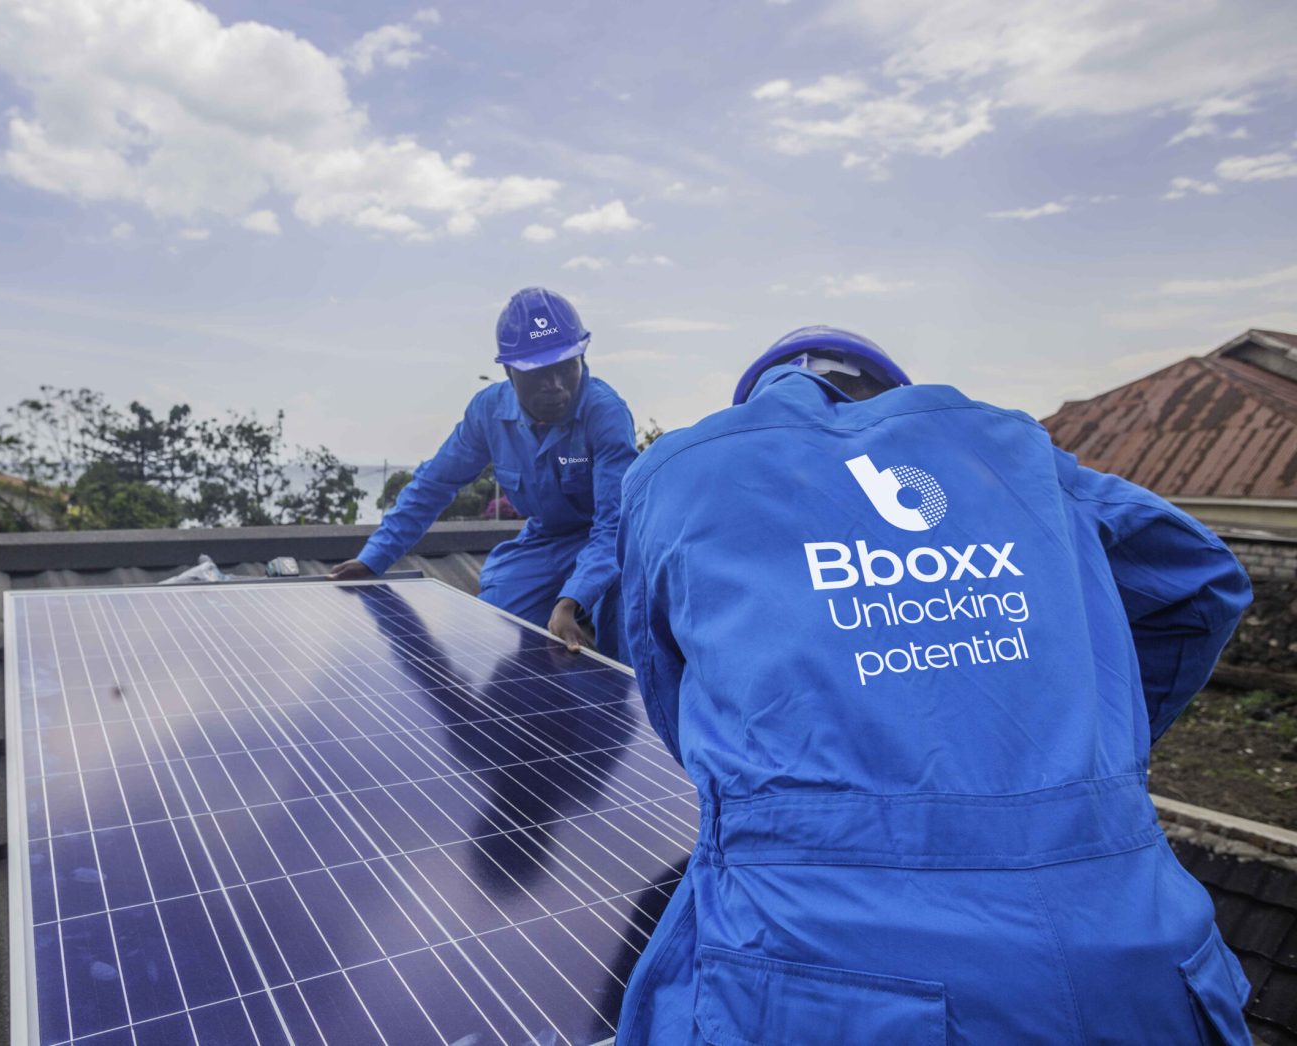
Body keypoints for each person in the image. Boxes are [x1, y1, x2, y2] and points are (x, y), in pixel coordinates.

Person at [615, 326, 1254, 1044]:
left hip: (825, 975)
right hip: (1139, 957)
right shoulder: (1010, 449)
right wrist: (1088, 753)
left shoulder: (682, 472)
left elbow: (667, 683)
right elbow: (1203, 582)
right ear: (892, 389)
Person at [329, 287, 638, 661]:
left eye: (566, 366)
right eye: (540, 372)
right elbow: (433, 485)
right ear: (509, 371)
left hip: (607, 544)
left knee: (621, 630)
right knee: (493, 629)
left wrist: (572, 599)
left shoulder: (605, 413)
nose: (555, 384)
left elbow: (613, 525)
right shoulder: (487, 412)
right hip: (544, 542)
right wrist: (374, 557)